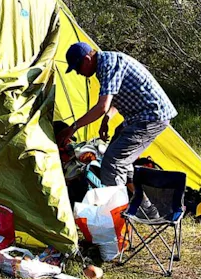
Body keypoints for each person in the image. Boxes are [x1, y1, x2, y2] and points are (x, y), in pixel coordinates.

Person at [55, 41, 176, 188]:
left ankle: (115, 208)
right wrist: (107, 118)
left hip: (150, 117)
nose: (78, 73)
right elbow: (116, 97)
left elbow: (102, 106)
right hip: (138, 117)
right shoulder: (106, 63)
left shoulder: (108, 65)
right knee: (115, 153)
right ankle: (141, 204)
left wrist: (73, 128)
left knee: (113, 163)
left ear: (87, 60)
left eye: (77, 68)